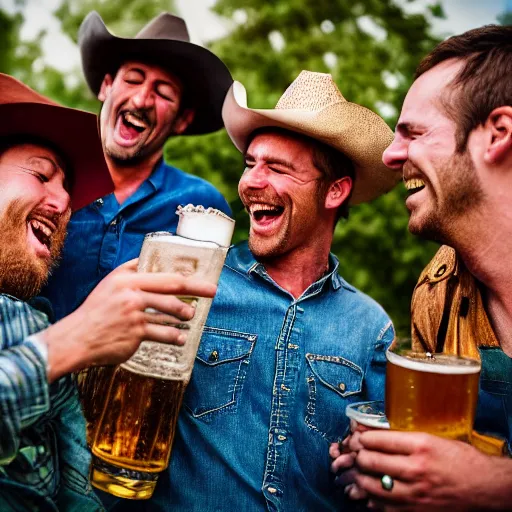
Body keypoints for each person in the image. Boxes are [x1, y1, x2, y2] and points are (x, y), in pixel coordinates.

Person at [111, 71, 400, 511]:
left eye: (277, 168)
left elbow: (380, 475)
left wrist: (368, 469)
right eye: (250, 164)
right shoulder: (193, 285)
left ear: (335, 191)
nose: (250, 183)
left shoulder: (371, 327)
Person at [0, 74, 216, 511]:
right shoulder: (47, 338)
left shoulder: (28, 319)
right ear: (105, 86)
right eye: (41, 174)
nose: (63, 204)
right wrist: (74, 341)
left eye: (68, 191)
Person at [331, 25, 512, 511]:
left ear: (497, 133)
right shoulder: (436, 291)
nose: (391, 156)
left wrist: (496, 486)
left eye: (414, 132)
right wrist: (391, 470)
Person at [42, 11, 233, 320]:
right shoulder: (48, 183)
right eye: (133, 79)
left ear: (182, 121)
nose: (142, 98)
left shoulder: (203, 207)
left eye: (164, 93)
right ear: (106, 86)